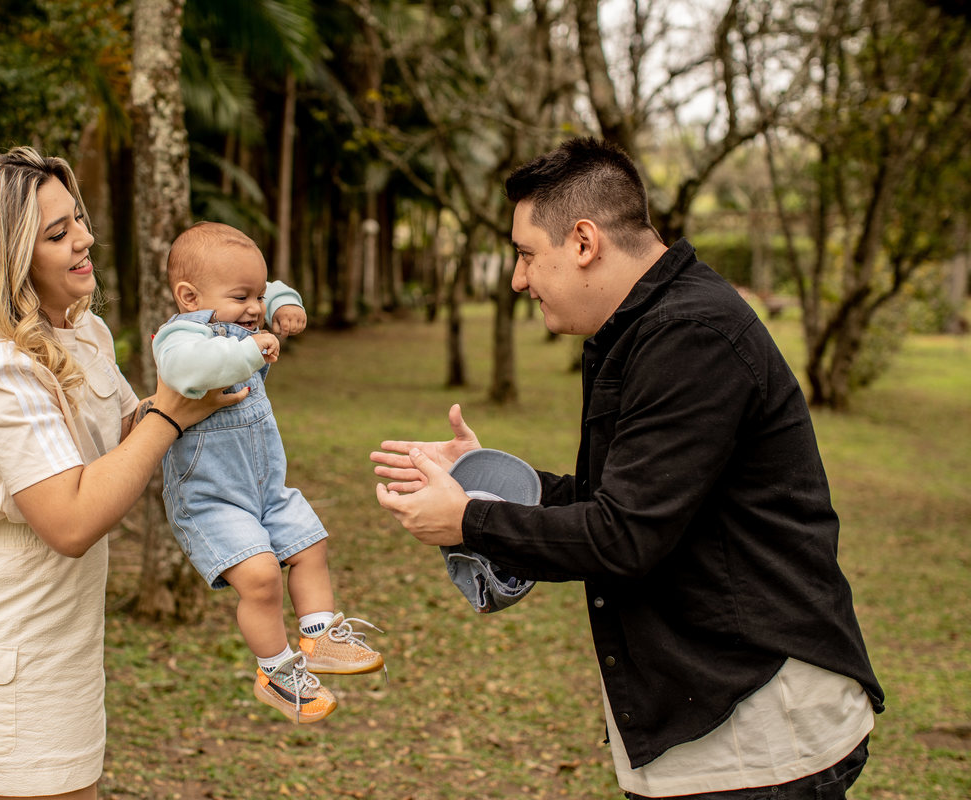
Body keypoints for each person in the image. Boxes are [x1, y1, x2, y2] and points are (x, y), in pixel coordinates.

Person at [372, 137, 884, 799]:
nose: (517, 279)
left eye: (526, 254)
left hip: (759, 728)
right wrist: (478, 474)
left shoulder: (692, 335)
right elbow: (620, 500)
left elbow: (624, 536)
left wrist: (468, 520)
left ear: (583, 242)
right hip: (714, 717)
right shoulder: (642, 328)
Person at [0, 147, 245, 800]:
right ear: (9, 257)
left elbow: (121, 436)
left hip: (58, 638)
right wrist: (170, 413)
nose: (84, 237)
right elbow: (71, 518)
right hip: (6, 640)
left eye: (77, 219)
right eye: (58, 233)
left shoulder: (80, 333)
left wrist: (203, 388)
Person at [152, 221, 384, 724]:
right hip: (210, 497)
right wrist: (248, 348)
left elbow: (275, 287)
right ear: (189, 296)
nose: (255, 307)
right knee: (259, 579)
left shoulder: (246, 310)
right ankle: (276, 672)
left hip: (265, 487)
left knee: (310, 543)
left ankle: (320, 635)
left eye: (256, 295)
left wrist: (285, 304)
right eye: (242, 296)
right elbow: (187, 371)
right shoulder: (180, 335)